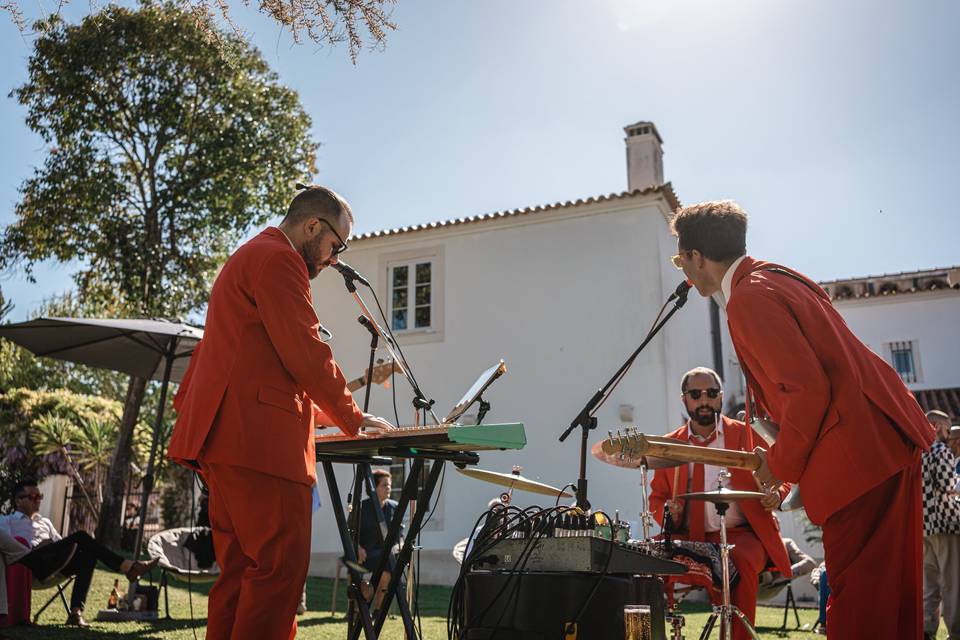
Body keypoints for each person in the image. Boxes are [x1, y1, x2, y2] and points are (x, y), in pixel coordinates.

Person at [670, 200, 934, 638]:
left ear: (698, 257)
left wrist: (781, 465)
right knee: (891, 599)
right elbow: (813, 388)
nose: (683, 270)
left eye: (681, 259)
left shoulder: (749, 299)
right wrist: (783, 467)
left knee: (858, 603)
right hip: (882, 441)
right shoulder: (777, 276)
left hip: (860, 457)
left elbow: (808, 393)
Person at [168, 184, 396, 640]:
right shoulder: (279, 259)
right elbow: (306, 352)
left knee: (239, 576)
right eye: (335, 246)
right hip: (261, 449)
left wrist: (337, 415)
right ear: (312, 225)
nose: (333, 260)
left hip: (229, 444)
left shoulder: (252, 255)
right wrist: (353, 417)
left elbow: (267, 372)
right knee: (277, 577)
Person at [649, 367, 791, 640]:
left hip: (741, 534)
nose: (704, 400)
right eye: (695, 394)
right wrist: (667, 511)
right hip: (685, 534)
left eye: (711, 393)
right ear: (684, 399)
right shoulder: (668, 445)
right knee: (643, 559)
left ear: (721, 397)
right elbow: (656, 497)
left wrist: (776, 494)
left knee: (741, 561)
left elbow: (781, 476)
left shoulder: (746, 435)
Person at [0, 479, 157, 627]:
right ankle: (129, 567)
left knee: (88, 555)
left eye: (39, 496)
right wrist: (36, 548)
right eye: (32, 497)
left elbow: (63, 547)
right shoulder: (7, 521)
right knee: (81, 536)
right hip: (28, 565)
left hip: (52, 565)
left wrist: (51, 545)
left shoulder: (45, 522)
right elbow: (8, 551)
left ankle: (75, 613)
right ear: (18, 500)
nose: (37, 500)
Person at [921, 410, 960, 640]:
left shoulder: (917, 451)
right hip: (946, 524)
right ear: (936, 426)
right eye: (947, 429)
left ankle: (926, 629)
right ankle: (956, 632)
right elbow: (947, 485)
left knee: (930, 585)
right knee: (952, 584)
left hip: (924, 526)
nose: (948, 435)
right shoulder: (940, 450)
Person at [357, 469, 402, 612]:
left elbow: (400, 537)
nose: (389, 488)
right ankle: (358, 608)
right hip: (363, 555)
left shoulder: (394, 507)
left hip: (385, 555)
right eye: (384, 485)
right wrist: (357, 547)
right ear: (374, 488)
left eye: (389, 485)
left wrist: (397, 547)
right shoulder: (362, 507)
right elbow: (349, 532)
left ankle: (378, 610)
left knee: (387, 566)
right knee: (358, 567)